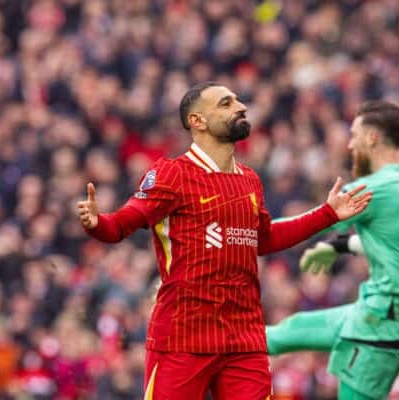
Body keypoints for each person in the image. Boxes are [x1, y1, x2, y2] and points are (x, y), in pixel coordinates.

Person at [77, 82, 372, 400]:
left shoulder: (250, 180)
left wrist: (327, 214)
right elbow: (122, 224)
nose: (241, 106)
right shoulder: (172, 174)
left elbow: (264, 238)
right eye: (226, 103)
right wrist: (97, 224)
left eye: (238, 101)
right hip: (183, 338)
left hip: (244, 340)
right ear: (197, 121)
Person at [266, 101, 399, 400]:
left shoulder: (371, 190)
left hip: (387, 320)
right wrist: (338, 246)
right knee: (288, 330)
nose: (349, 145)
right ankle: (202, 342)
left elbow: (296, 228)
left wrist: (238, 233)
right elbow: (397, 247)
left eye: (354, 135)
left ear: (371, 138)